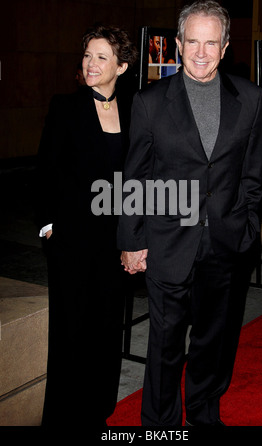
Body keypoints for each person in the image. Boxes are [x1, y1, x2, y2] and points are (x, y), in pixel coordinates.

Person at [117, 0, 262, 426]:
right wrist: (132, 241)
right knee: (165, 344)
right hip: (167, 245)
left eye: (211, 43)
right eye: (193, 42)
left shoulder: (251, 98)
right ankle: (160, 427)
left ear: (225, 47)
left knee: (213, 343)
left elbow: (252, 176)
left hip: (226, 243)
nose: (201, 52)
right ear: (179, 44)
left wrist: (248, 228)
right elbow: (134, 181)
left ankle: (203, 416)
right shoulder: (149, 102)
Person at [36, 24, 138, 433]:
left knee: (108, 325)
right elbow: (45, 170)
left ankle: (97, 410)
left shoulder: (134, 108)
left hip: (115, 241)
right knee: (71, 329)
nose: (90, 64)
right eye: (87, 56)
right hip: (72, 241)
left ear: (122, 66)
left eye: (101, 57)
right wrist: (47, 227)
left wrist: (139, 233)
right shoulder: (66, 106)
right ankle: (65, 417)